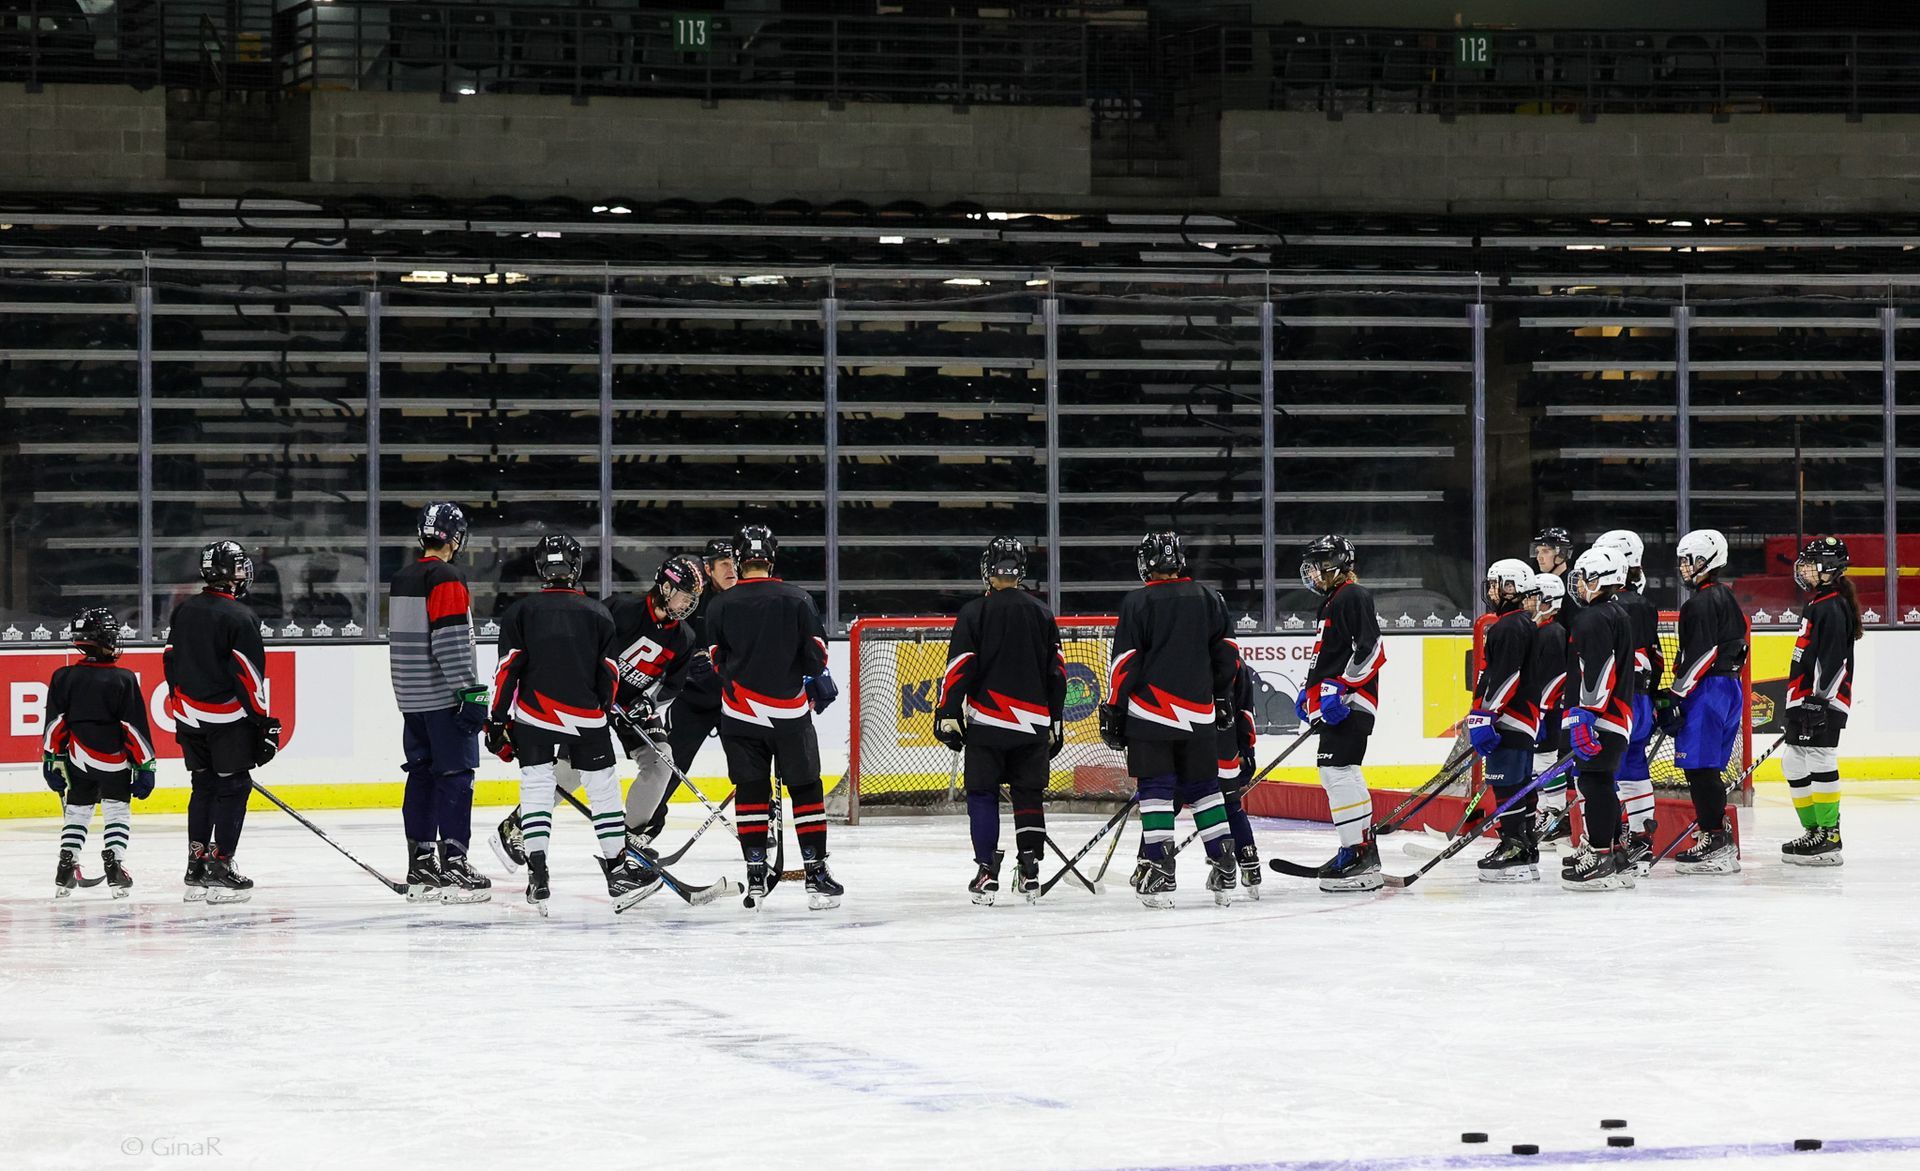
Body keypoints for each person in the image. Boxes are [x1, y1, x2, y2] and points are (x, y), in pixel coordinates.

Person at [489, 554, 703, 870]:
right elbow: (587, 645)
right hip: (595, 700)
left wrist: (648, 703)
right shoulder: (620, 610)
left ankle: (628, 840)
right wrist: (595, 689)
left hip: (633, 707)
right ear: (667, 587)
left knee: (661, 762)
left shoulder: (684, 637)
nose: (689, 602)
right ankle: (515, 825)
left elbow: (672, 684)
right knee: (573, 769)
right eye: (686, 593)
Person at [485, 534, 658, 915]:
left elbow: (506, 672)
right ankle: (616, 871)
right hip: (587, 718)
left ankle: (539, 874)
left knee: (537, 790)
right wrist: (604, 707)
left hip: (533, 718)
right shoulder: (597, 613)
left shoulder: (521, 612)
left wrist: (497, 721)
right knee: (603, 792)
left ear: (540, 567)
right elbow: (609, 674)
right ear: (576, 567)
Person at [1099, 531, 1240, 909]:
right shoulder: (1210, 597)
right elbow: (1228, 655)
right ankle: (1225, 861)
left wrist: (1114, 706)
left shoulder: (1138, 601)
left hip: (1151, 715)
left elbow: (1125, 662)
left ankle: (1160, 867)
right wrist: (1220, 695)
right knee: (1205, 788)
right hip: (1199, 714)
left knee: (1158, 790)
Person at [705, 524, 843, 909]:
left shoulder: (720, 605)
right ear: (771, 556)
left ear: (738, 558)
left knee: (751, 791)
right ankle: (815, 873)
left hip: (738, 715)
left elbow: (717, 660)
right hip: (789, 714)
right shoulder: (797, 598)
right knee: (805, 789)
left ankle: (754, 873)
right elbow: (817, 657)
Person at [935, 536, 1065, 905]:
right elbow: (1057, 673)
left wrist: (947, 713)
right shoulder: (1042, 613)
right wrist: (1055, 719)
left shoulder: (975, 612)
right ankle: (1030, 870)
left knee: (982, 793)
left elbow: (960, 668)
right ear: (1020, 571)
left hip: (987, 724)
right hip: (1033, 725)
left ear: (988, 570)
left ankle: (987, 871)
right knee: (1028, 793)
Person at [164, 540, 281, 904]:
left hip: (188, 716)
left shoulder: (184, 611)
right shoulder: (241, 617)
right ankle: (220, 865)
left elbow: (169, 661)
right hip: (226, 719)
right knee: (233, 787)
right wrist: (263, 723)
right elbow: (247, 677)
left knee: (203, 785)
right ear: (232, 574)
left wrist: (180, 702)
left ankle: (196, 865)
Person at [388, 501, 491, 904]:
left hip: (411, 698)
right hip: (443, 696)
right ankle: (454, 863)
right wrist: (470, 692)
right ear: (457, 538)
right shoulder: (447, 576)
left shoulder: (402, 577)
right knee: (455, 776)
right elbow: (449, 640)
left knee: (422, 775)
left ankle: (421, 864)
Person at [628, 538, 738, 845]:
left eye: (734, 564)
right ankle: (649, 828)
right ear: (709, 568)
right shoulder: (690, 602)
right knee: (671, 765)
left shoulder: (747, 601)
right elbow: (671, 646)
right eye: (724, 565)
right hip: (694, 701)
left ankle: (761, 821)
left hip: (734, 702)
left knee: (748, 765)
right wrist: (690, 667)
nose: (731, 570)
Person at [41, 609, 156, 897]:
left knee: (78, 809)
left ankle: (66, 863)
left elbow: (56, 724)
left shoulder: (63, 676)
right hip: (114, 760)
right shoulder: (123, 679)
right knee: (117, 807)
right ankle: (115, 864)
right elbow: (133, 728)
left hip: (77, 759)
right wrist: (145, 767)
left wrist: (51, 760)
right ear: (103, 639)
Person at [1296, 534, 1387, 893]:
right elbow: (1329, 654)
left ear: (1338, 564)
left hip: (1352, 705)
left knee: (1338, 772)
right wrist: (1312, 691)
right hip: (1340, 704)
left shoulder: (1353, 595)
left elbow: (1372, 648)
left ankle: (1358, 853)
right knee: (1338, 772)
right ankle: (1358, 847)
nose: (1313, 572)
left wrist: (1342, 687)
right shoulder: (1335, 600)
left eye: (1319, 563)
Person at [1663, 529, 1750, 875]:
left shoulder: (1699, 603)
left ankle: (1714, 840)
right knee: (1707, 768)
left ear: (1708, 561)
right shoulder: (1726, 597)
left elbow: (1701, 655)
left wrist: (1676, 694)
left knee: (1699, 769)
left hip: (1708, 690)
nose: (1684, 567)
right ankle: (1716, 837)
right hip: (1728, 689)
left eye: (1691, 560)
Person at [1559, 546, 1639, 891]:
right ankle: (1616, 854)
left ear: (1602, 580)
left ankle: (1602, 857)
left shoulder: (1592, 618)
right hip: (1616, 715)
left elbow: (1598, 668)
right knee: (1601, 782)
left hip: (1601, 718)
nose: (1578, 585)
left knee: (1594, 783)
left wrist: (1584, 714)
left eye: (1584, 578)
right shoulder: (1616, 613)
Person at [1779, 535, 1859, 867]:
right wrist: (1800, 701)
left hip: (1824, 702)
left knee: (1820, 757)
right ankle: (1814, 830)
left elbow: (1835, 661)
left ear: (1829, 567)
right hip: (1807, 700)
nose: (1805, 569)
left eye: (1811, 563)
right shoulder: (1820, 602)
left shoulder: (1834, 605)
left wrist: (1819, 701)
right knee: (1794, 762)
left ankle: (1830, 834)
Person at [1467, 560, 1545, 882]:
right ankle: (1525, 847)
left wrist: (1485, 715)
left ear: (1511, 588)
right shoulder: (1522, 623)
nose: (1491, 590)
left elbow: (1505, 677)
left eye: (1496, 584)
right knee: (1520, 783)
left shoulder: (1510, 626)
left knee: (1504, 781)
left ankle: (1513, 847)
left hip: (1509, 718)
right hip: (1523, 719)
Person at [1593, 530, 1663, 873]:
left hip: (1616, 701)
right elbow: (1657, 658)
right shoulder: (1643, 603)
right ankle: (1640, 841)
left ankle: (1609, 843)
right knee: (1634, 766)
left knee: (1601, 771)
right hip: (1642, 701)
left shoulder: (1610, 607)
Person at [1529, 572, 1573, 848]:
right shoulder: (1540, 630)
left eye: (1535, 598)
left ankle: (1556, 814)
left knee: (1546, 761)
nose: (1530, 603)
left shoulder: (1553, 632)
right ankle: (1546, 813)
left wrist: (1543, 709)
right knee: (1537, 763)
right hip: (1540, 709)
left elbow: (1557, 677)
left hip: (1550, 711)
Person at [1214, 658, 1265, 897]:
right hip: (1228, 750)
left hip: (1195, 749)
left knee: (1167, 802)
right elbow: (1246, 712)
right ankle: (1249, 862)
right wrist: (1247, 752)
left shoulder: (1187, 652)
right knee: (1231, 807)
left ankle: (1149, 861)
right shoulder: (1236, 662)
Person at [1531, 526, 1579, 630]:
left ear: (1562, 554)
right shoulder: (1536, 584)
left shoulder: (1575, 587)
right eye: (1538, 551)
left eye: (1545, 551)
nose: (1539, 557)